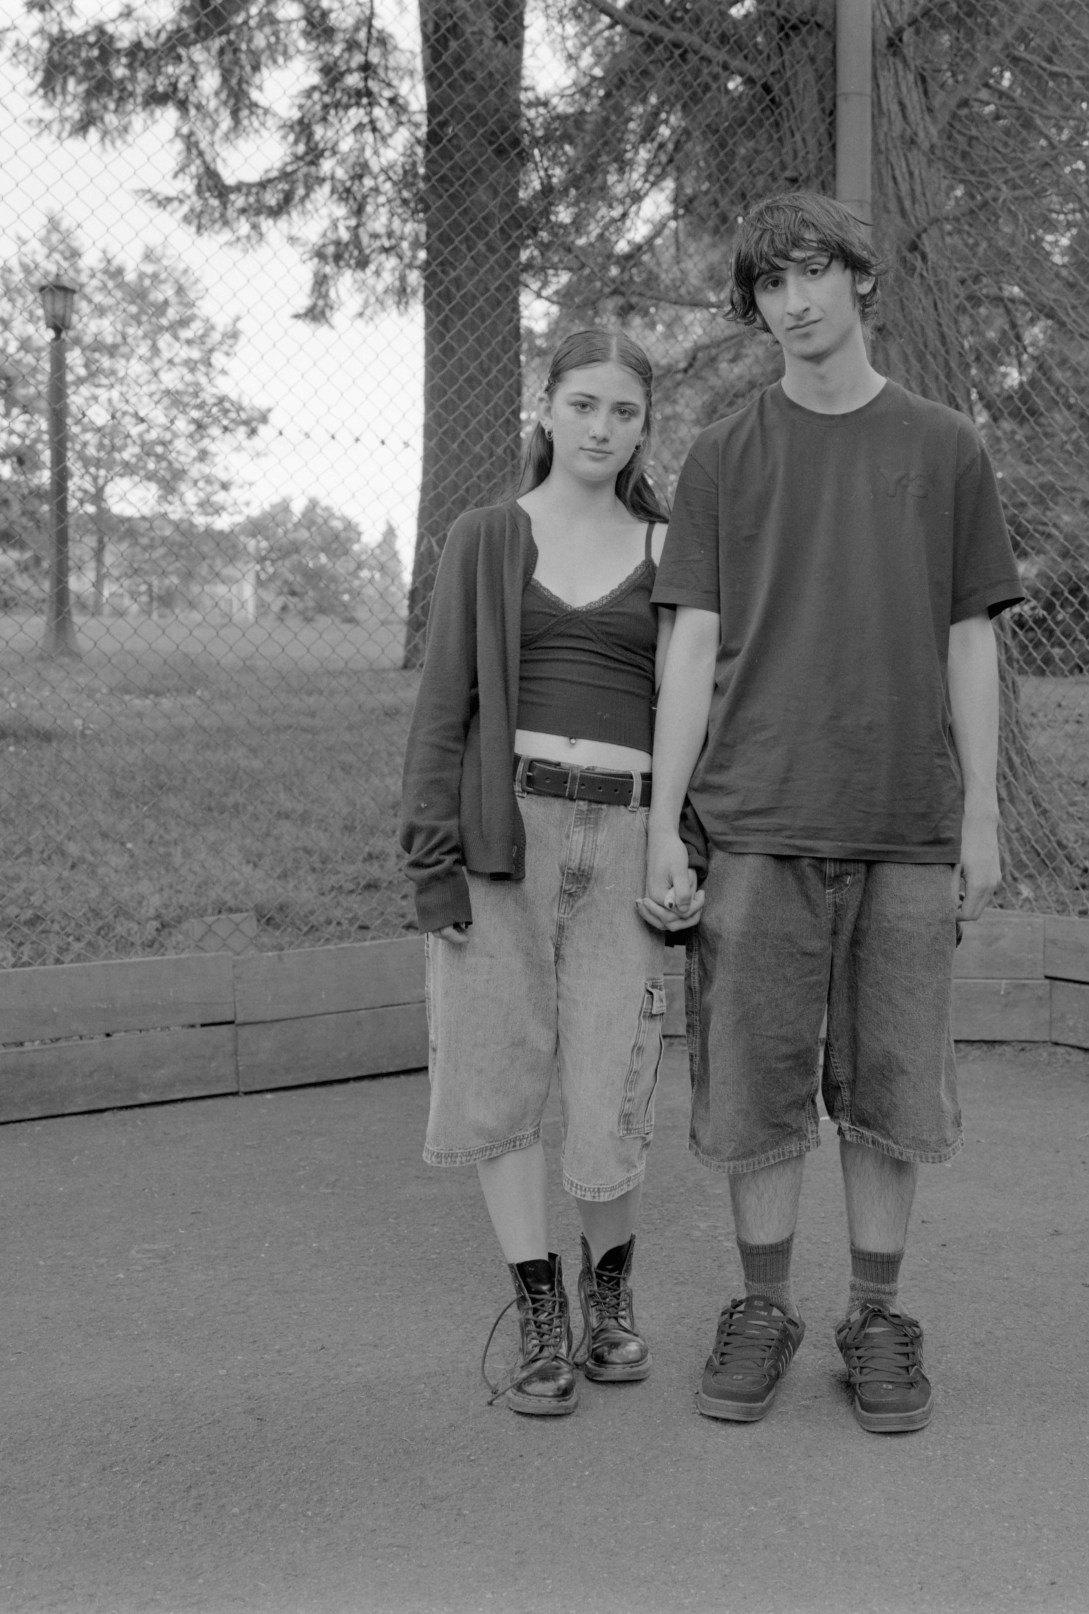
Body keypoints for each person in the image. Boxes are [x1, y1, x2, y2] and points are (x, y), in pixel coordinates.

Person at [640, 192, 1024, 1434]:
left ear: (860, 278)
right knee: (751, 1086)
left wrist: (980, 817)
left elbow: (971, 640)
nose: (794, 302)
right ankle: (762, 1308)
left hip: (906, 819)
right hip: (754, 818)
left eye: (815, 274)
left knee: (892, 1084)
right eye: (769, 285)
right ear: (753, 307)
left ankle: (874, 1316)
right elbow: (689, 645)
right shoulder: (725, 457)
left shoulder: (944, 446)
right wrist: (663, 821)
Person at [400, 329, 676, 1417]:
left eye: (624, 412)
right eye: (585, 405)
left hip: (628, 838)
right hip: (502, 837)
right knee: (498, 1069)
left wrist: (681, 844)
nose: (602, 428)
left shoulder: (671, 547)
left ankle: (611, 1295)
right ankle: (540, 1311)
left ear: (645, 427)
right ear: (547, 409)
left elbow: (702, 708)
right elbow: (442, 710)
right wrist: (434, 867)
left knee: (614, 1074)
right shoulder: (484, 537)